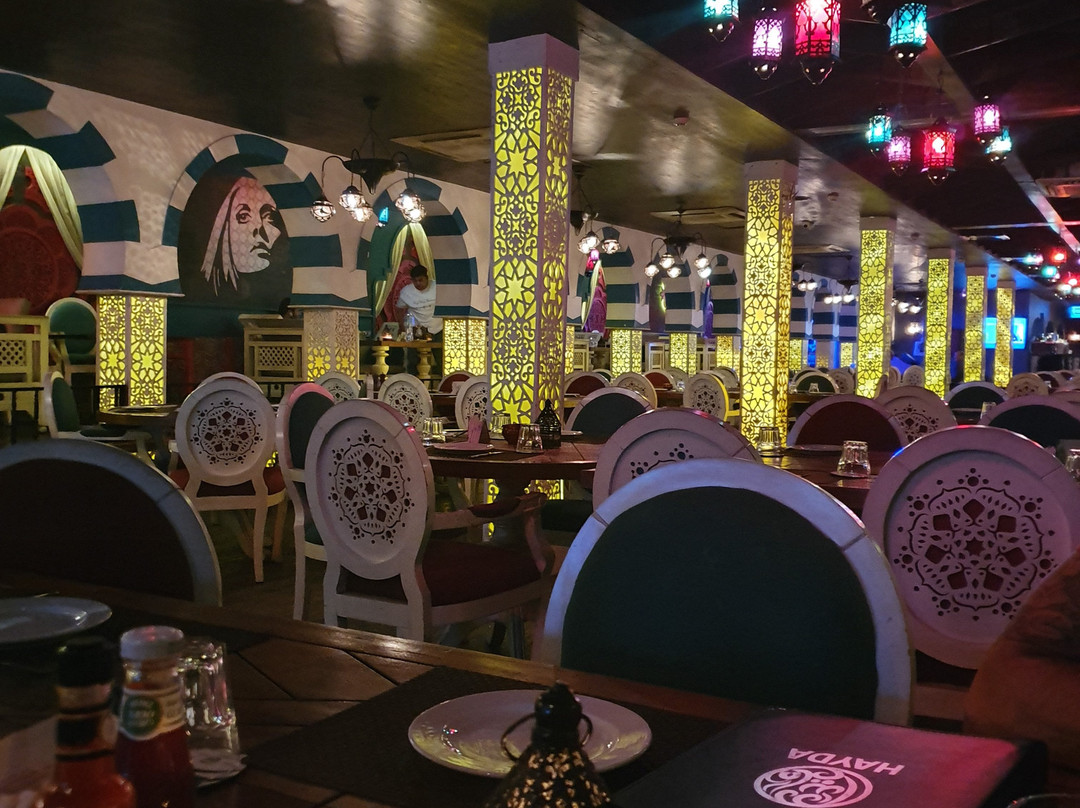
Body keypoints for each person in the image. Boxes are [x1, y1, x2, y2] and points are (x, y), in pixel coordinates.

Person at [395, 263, 442, 335]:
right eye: (415, 281)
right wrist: (402, 326)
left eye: (420, 280)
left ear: (427, 278)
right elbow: (399, 309)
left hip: (438, 328)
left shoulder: (438, 287)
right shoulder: (406, 291)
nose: (418, 283)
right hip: (416, 330)